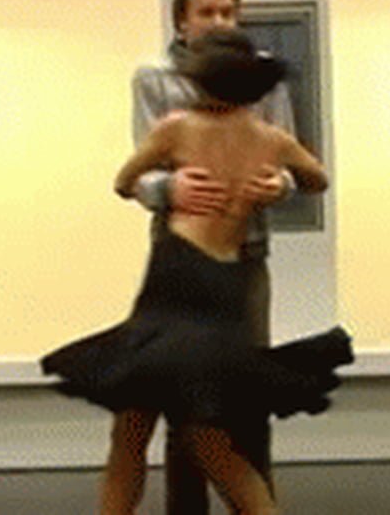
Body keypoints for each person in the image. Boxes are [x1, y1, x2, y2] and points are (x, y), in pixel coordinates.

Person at [41, 30, 352, 515]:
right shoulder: (270, 139)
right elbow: (318, 177)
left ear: (202, 82)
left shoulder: (177, 128)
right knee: (211, 440)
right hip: (227, 287)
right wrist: (277, 183)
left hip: (175, 278)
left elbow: (124, 181)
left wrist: (172, 183)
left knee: (132, 429)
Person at [131, 0, 297, 514]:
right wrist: (168, 187)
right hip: (181, 260)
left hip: (247, 256)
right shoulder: (154, 79)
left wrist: (279, 184)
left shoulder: (264, 81)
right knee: (186, 404)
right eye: (207, 12)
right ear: (182, 22)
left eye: (228, 12)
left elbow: (293, 164)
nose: (220, 21)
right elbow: (135, 176)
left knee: (249, 397)